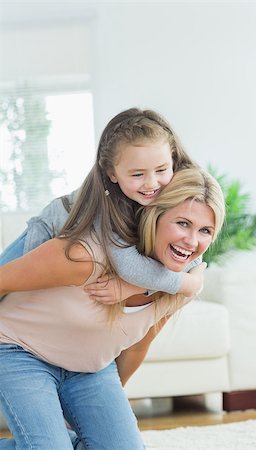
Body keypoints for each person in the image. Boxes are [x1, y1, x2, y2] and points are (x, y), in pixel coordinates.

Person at [0, 167, 225, 450]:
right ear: (155, 216)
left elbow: (136, 348)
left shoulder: (179, 286)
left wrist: (104, 417)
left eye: (205, 230)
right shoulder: (86, 254)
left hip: (89, 367)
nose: (191, 242)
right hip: (19, 350)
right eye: (182, 223)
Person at [0, 107, 203, 304]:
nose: (151, 183)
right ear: (112, 174)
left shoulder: (180, 189)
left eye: (161, 170)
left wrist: (137, 288)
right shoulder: (107, 204)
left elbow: (192, 256)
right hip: (48, 230)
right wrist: (187, 283)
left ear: (173, 161)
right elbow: (128, 266)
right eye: (138, 174)